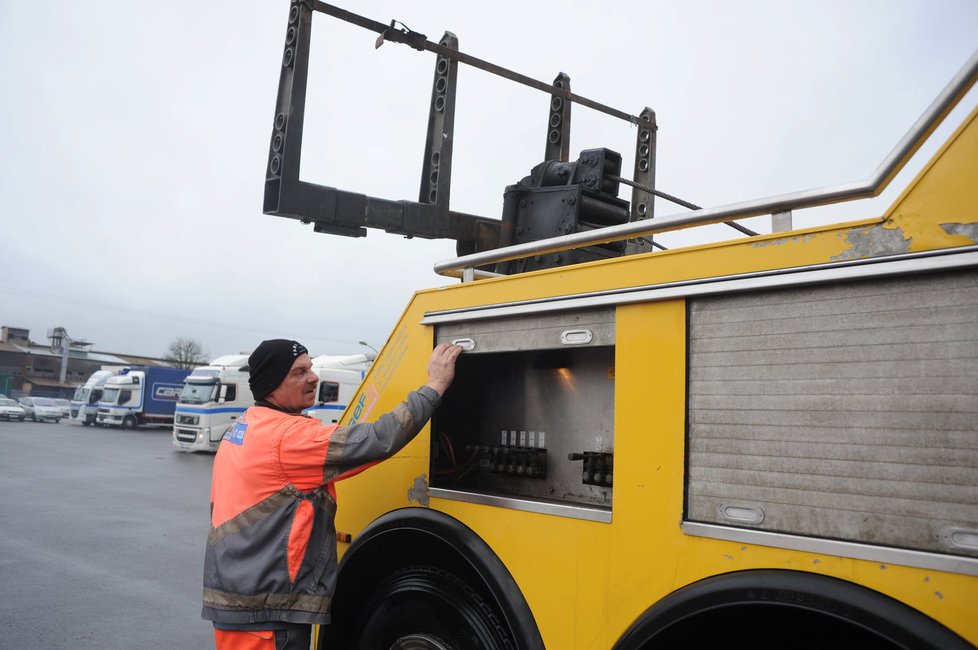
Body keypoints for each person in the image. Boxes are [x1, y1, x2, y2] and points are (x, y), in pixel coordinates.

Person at [202, 338, 462, 650]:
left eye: (310, 368)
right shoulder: (288, 438)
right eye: (299, 373)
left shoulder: (245, 426)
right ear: (271, 385)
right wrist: (434, 385)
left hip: (241, 596)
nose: (313, 377)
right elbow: (379, 439)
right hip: (266, 608)